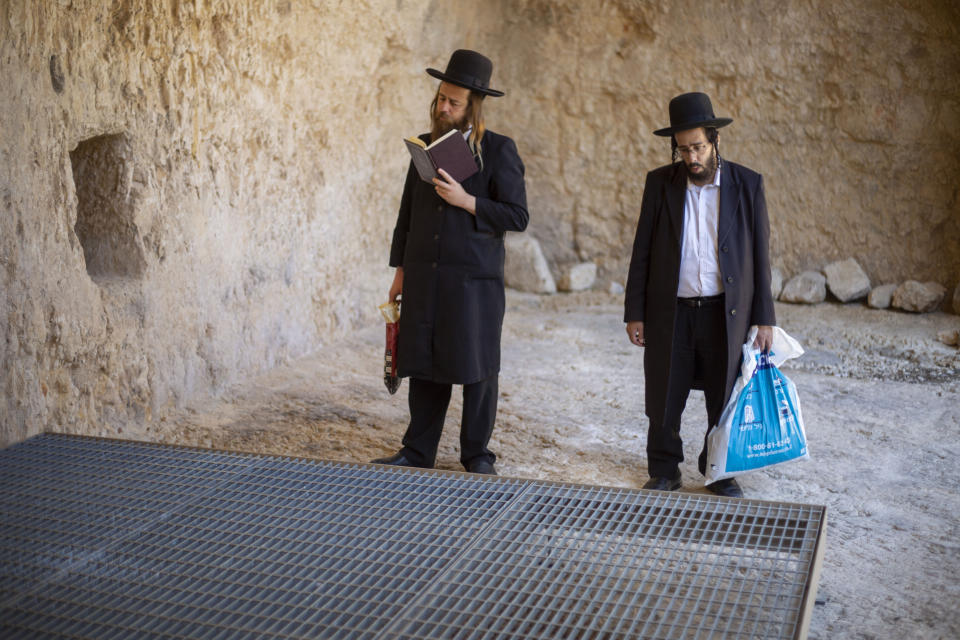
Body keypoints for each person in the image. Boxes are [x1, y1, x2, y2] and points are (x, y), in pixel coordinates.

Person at [372, 50, 528, 475]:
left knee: (478, 369)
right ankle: (417, 451)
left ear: (473, 106)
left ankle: (476, 455)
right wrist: (400, 273)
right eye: (441, 98)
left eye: (453, 102)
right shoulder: (424, 146)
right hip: (425, 275)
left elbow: (517, 216)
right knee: (424, 362)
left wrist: (468, 201)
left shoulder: (499, 150)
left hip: (474, 282)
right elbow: (407, 216)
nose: (443, 107)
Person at [624, 92, 776, 498]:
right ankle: (664, 468)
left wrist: (765, 318)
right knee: (663, 392)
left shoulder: (747, 184)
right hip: (670, 310)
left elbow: (761, 257)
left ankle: (719, 470)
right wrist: (634, 311)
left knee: (723, 393)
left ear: (715, 141)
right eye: (683, 149)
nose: (691, 157)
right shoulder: (660, 184)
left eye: (698, 147)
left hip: (723, 312)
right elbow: (642, 250)